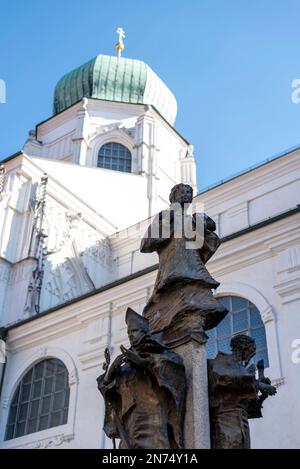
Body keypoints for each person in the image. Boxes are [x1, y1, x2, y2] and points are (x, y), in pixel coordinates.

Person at [140, 183, 227, 340]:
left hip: (193, 268)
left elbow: (205, 244)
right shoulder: (166, 216)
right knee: (172, 299)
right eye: (182, 191)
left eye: (189, 192)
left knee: (196, 299)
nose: (186, 194)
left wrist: (203, 224)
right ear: (173, 197)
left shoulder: (193, 219)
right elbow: (146, 244)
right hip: (172, 269)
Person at [97, 308, 186, 449]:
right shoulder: (125, 363)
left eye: (134, 331)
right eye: (128, 333)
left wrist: (144, 362)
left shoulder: (159, 352)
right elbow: (108, 389)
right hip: (130, 420)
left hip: (152, 416)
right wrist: (111, 371)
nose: (130, 336)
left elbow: (174, 367)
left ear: (145, 332)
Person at [208, 334, 277, 449]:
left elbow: (249, 404)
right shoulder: (221, 361)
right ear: (243, 347)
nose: (254, 352)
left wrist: (263, 394)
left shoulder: (242, 369)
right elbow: (225, 379)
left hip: (242, 422)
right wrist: (259, 384)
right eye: (253, 349)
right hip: (226, 421)